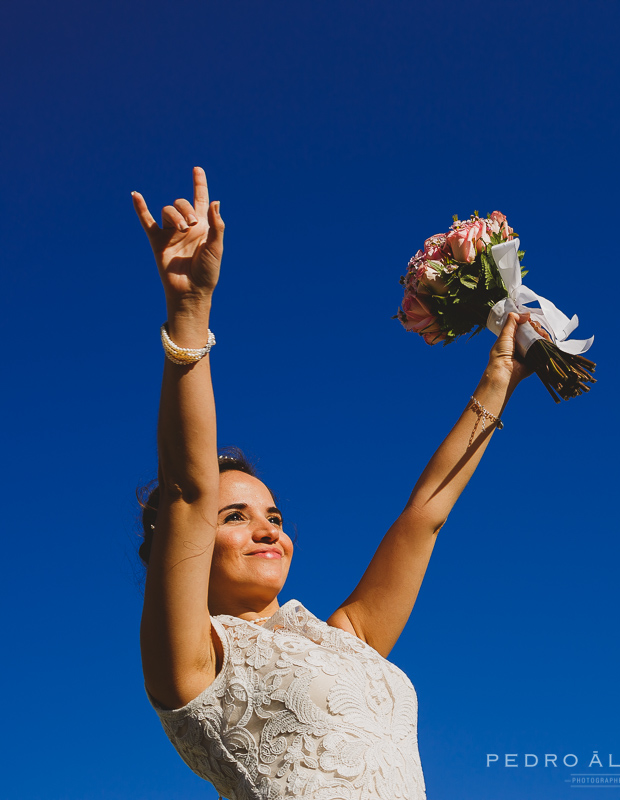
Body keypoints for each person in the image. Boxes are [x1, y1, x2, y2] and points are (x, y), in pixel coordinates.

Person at [132, 167, 530, 800]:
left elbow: (425, 515)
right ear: (182, 549)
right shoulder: (193, 663)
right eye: (233, 517)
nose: (267, 529)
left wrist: (499, 381)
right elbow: (187, 488)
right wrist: (188, 312)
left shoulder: (348, 639)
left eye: (274, 517)